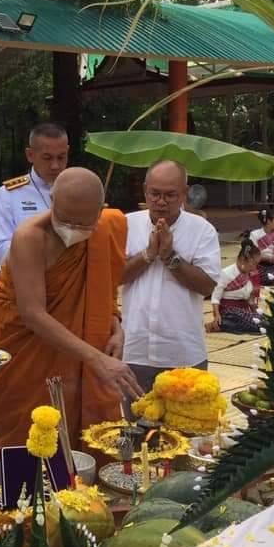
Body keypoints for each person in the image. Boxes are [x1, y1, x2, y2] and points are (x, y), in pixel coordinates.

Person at [0, 168, 141, 453]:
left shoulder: (107, 227)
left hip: (74, 357)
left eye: (83, 224)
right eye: (65, 220)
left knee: (84, 438)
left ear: (99, 212)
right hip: (26, 356)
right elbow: (33, 314)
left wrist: (115, 324)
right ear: (52, 201)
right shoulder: (30, 236)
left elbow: (103, 288)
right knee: (28, 440)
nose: (72, 229)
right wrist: (96, 359)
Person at [121, 160, 222, 395]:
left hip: (183, 354)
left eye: (170, 195)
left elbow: (207, 286)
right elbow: (114, 277)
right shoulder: (127, 224)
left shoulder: (202, 230)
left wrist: (170, 257)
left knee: (185, 419)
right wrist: (147, 255)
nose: (161, 201)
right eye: (155, 194)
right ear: (145, 190)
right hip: (134, 351)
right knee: (136, 419)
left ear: (185, 193)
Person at [0, 122, 69, 272]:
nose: (55, 165)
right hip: (30, 278)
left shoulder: (77, 190)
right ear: (30, 155)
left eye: (61, 157)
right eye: (47, 158)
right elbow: (0, 254)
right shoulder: (8, 194)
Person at [209, 236, 263, 334]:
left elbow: (250, 300)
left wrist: (255, 312)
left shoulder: (252, 274)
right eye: (253, 263)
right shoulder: (226, 273)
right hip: (229, 311)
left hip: (243, 311)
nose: (255, 267)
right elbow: (215, 297)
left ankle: (226, 325)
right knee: (257, 325)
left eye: (257, 264)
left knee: (263, 321)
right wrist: (217, 315)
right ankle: (221, 324)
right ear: (242, 260)